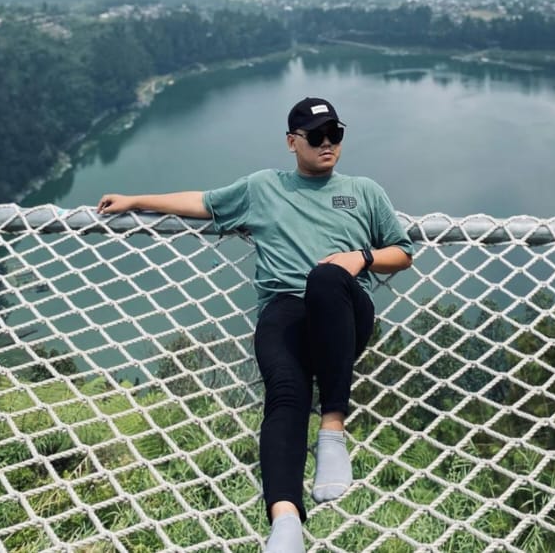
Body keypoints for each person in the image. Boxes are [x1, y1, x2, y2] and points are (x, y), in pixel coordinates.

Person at [97, 97, 415, 553]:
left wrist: (359, 257)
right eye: (316, 136)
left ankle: (331, 432)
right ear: (292, 142)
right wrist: (136, 200)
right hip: (284, 311)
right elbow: (202, 202)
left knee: (325, 277)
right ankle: (284, 523)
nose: (328, 144)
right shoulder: (264, 187)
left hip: (344, 310)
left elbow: (402, 252)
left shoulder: (364, 190)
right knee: (284, 396)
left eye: (335, 135)